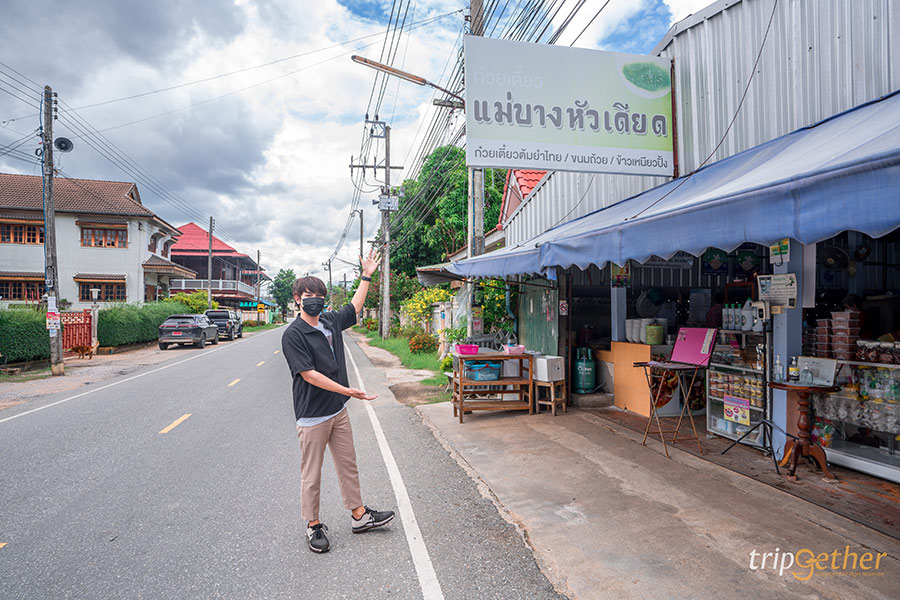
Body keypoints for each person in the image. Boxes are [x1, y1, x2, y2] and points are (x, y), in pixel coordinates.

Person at [281, 248, 394, 554]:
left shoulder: (329, 321)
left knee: (348, 464)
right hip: (312, 415)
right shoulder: (294, 334)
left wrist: (366, 275)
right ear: (297, 299)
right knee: (312, 474)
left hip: (337, 411)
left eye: (319, 295)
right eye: (308, 295)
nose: (315, 299)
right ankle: (313, 525)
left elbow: (354, 307)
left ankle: (359, 515)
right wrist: (348, 391)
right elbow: (309, 375)